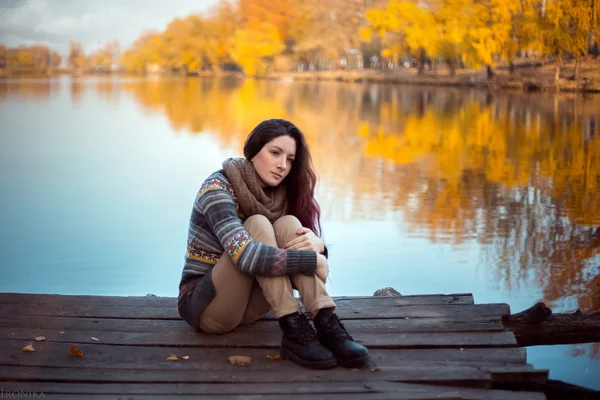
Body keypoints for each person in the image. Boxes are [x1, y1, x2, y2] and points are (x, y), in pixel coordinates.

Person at [177, 118, 368, 369]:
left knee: (288, 223)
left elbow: (291, 252)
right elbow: (245, 256)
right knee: (257, 223)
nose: (282, 165)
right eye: (275, 153)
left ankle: (325, 322)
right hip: (207, 307)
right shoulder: (217, 188)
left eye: (290, 159)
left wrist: (319, 246)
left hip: (250, 310)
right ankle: (293, 323)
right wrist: (314, 260)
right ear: (254, 151)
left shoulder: (279, 195)